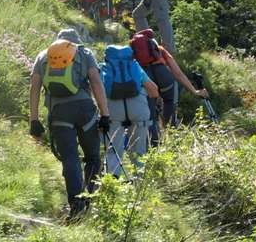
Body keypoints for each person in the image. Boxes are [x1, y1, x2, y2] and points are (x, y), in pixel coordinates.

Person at [29, 29, 111, 217]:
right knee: (92, 157)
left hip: (59, 114)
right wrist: (105, 114)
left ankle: (76, 205)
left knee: (70, 159)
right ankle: (90, 198)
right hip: (85, 111)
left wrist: (34, 119)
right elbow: (96, 83)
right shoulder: (84, 53)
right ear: (76, 42)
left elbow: (34, 87)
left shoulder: (44, 56)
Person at [130, 28, 209, 143]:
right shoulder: (160, 50)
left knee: (150, 116)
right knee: (169, 102)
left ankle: (154, 144)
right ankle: (171, 134)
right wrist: (195, 91)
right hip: (165, 79)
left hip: (148, 82)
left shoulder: (134, 54)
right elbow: (178, 74)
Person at [99, 44, 159, 177]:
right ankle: (139, 185)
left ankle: (113, 185)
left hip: (113, 112)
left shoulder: (102, 68)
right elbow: (154, 91)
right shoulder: (135, 67)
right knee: (139, 152)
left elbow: (96, 91)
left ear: (107, 57)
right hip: (138, 111)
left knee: (113, 150)